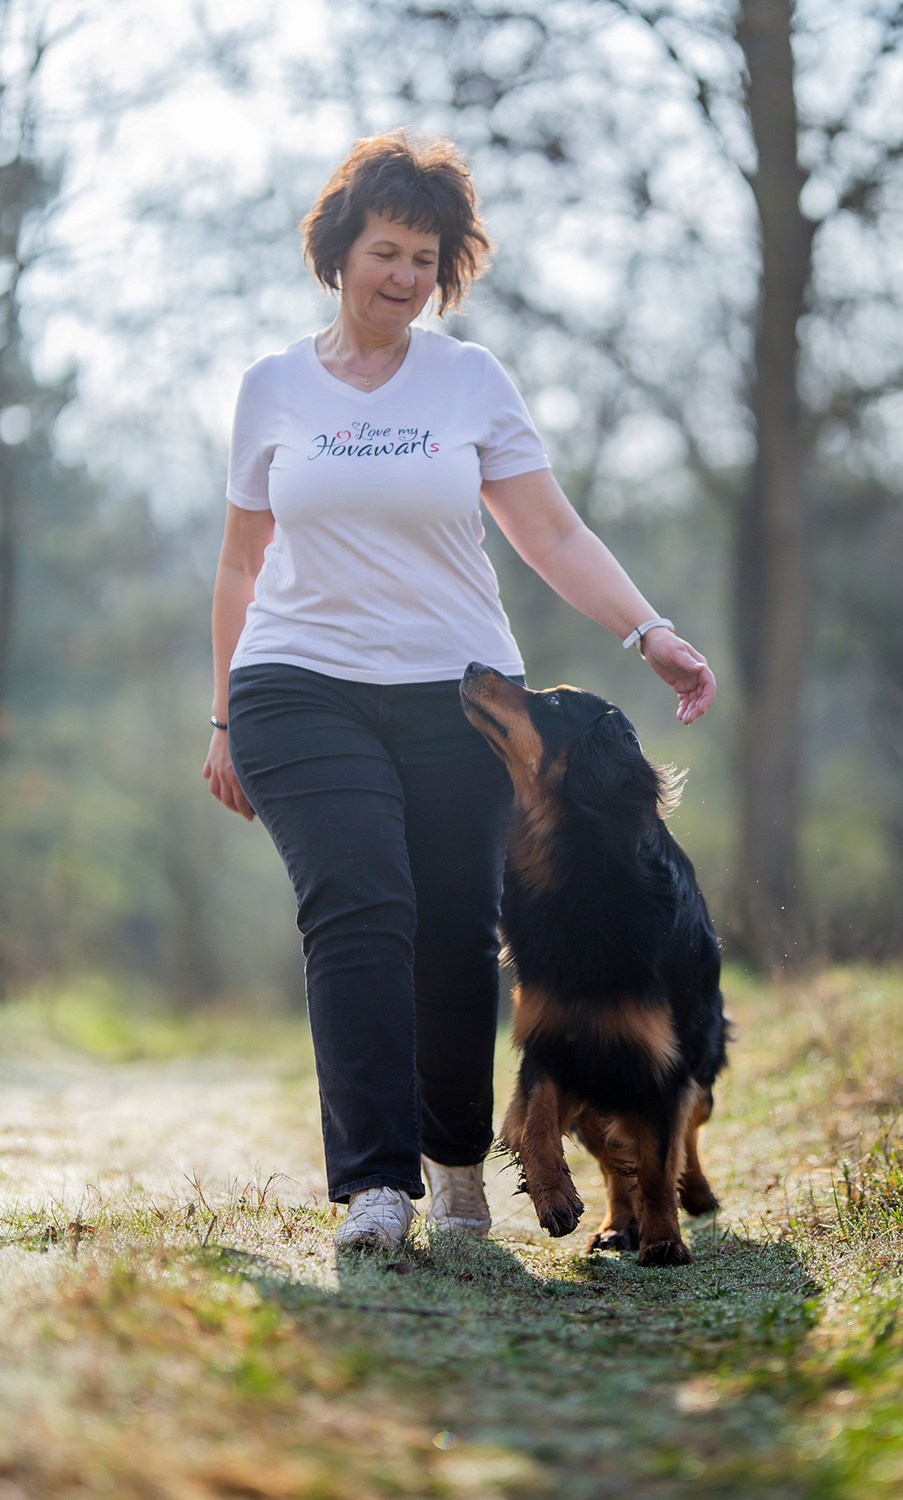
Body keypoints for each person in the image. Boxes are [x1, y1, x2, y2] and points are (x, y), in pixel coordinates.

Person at [202, 131, 715, 1254]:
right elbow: (241, 564)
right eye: (385, 250)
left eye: (426, 259)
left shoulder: (469, 380)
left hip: (457, 697)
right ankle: (375, 1186)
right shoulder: (272, 387)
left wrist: (649, 631)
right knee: (358, 906)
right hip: (299, 685)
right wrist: (226, 714)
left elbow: (551, 532)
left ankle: (454, 1163)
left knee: (452, 931)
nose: (405, 276)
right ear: (338, 253)